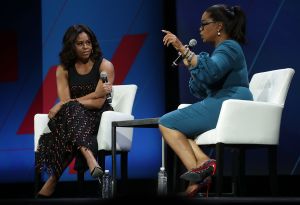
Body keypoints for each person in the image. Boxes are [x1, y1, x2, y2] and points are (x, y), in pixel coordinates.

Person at [159, 4, 253, 197]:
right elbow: (202, 88)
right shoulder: (220, 52)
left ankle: (201, 169)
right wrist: (191, 66)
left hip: (231, 103)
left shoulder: (230, 47)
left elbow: (211, 72)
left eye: (204, 24)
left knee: (166, 122)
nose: (200, 29)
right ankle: (201, 168)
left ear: (219, 26)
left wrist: (183, 50)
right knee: (179, 128)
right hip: (222, 101)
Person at [35, 24, 114, 198]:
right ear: (71, 46)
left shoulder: (105, 66)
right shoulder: (63, 70)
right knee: (72, 112)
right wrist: (70, 103)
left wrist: (65, 104)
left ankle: (53, 180)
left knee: (69, 114)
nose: (86, 47)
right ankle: (90, 158)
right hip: (74, 117)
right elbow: (67, 101)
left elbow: (99, 101)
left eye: (88, 42)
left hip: (98, 115)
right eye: (80, 43)